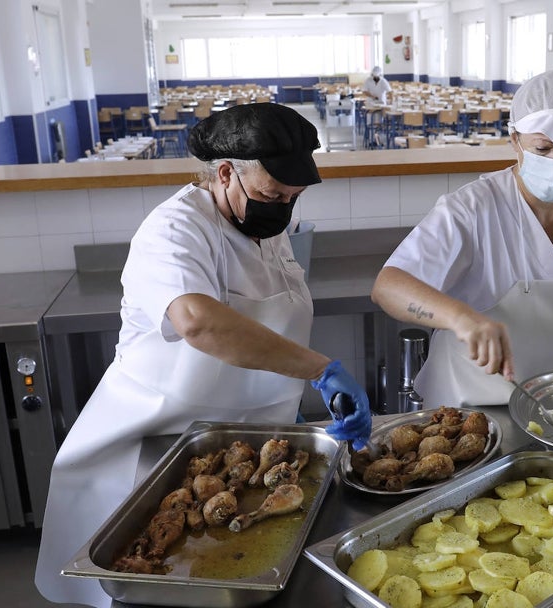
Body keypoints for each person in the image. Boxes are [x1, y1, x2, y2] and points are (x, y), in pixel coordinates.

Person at [35, 103, 372, 607]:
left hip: (240, 441)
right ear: (225, 172)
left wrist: (285, 403)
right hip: (153, 443)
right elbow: (199, 321)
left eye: (292, 198)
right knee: (146, 579)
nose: (281, 208)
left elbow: (264, 326)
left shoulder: (265, 227)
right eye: (271, 194)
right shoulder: (173, 229)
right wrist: (318, 370)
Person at [370, 69, 553, 408]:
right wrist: (460, 317)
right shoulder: (472, 209)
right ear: (515, 140)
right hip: (472, 409)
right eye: (543, 148)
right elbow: (388, 286)